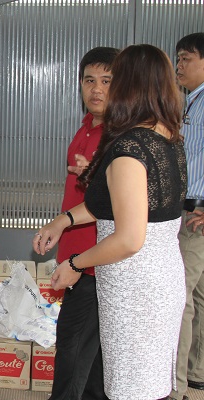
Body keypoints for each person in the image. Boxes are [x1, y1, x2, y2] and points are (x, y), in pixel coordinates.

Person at [33, 44, 187, 400]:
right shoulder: (165, 137)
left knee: (130, 387)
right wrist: (64, 220)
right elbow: (115, 205)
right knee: (135, 385)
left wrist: (75, 263)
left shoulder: (131, 148)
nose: (103, 89)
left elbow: (129, 238)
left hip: (135, 286)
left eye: (112, 80)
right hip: (159, 279)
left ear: (128, 86)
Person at [49, 46, 118, 400]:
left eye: (106, 81)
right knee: (92, 354)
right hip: (76, 255)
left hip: (94, 261)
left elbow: (116, 204)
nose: (97, 89)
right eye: (89, 81)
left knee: (72, 348)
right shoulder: (87, 126)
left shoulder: (120, 138)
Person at [171, 32, 204, 400]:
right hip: (194, 208)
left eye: (186, 59)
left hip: (197, 212)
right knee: (198, 295)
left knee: (180, 297)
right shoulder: (192, 100)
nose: (179, 66)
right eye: (178, 59)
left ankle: (176, 385)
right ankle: (196, 372)